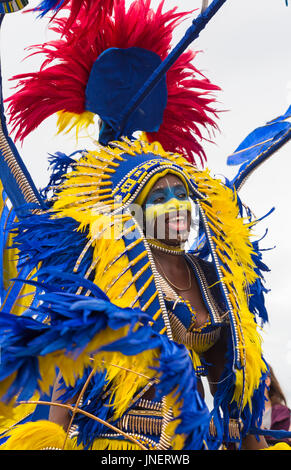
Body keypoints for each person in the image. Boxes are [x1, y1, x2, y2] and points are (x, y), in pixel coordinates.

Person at [0, 0, 290, 452]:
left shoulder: (214, 276)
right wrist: (51, 438)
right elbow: (69, 361)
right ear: (131, 213)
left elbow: (242, 384)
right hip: (120, 444)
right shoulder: (104, 268)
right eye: (158, 196)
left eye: (182, 194)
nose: (175, 204)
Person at [262, 365, 291, 445]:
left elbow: (283, 443)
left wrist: (260, 431)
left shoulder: (281, 412)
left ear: (266, 381)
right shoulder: (239, 413)